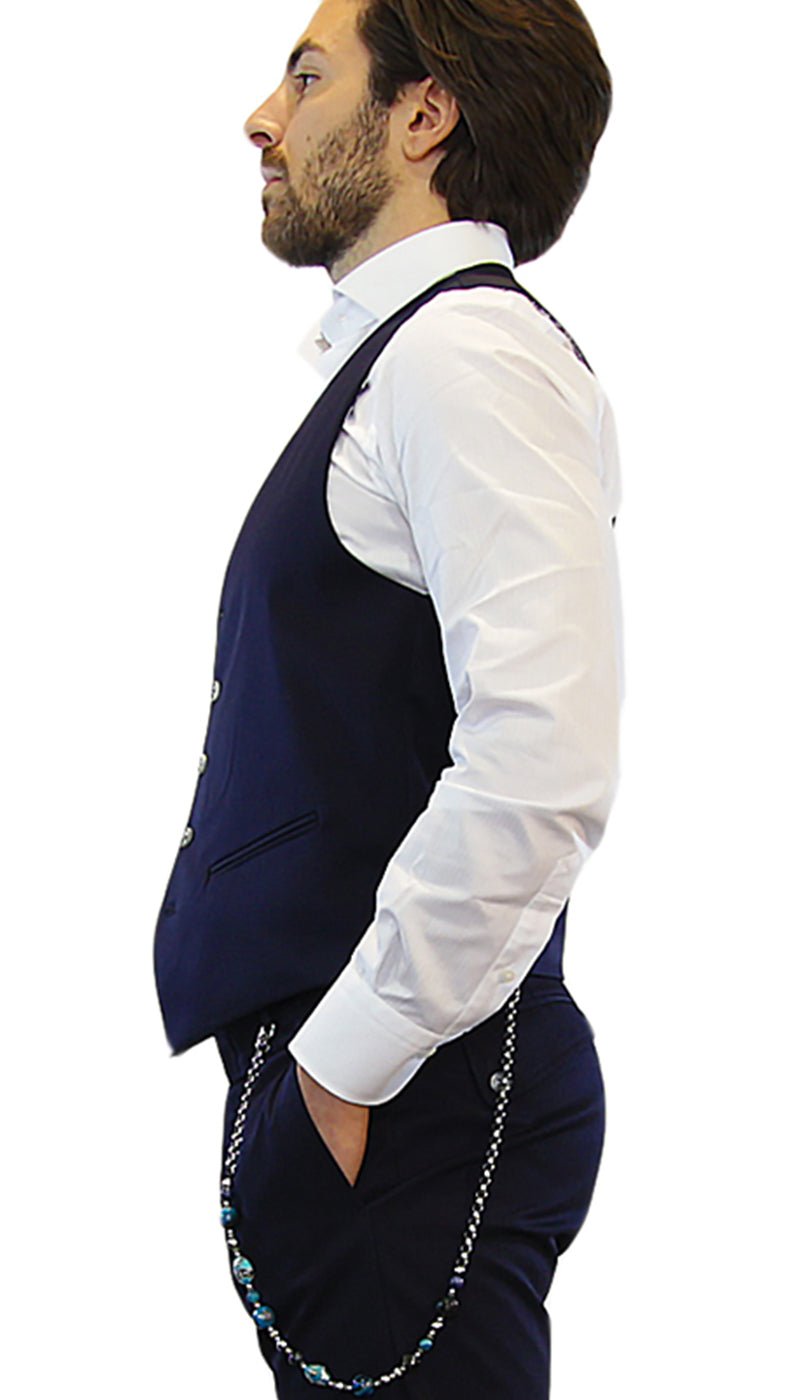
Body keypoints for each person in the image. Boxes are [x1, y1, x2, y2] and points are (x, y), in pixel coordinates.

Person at [153, 1, 624, 1395]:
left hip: (409, 1095)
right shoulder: (416, 362)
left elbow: (543, 756)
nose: (263, 118)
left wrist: (341, 1070)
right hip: (387, 1092)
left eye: (308, 77)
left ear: (425, 114)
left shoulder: (465, 357)